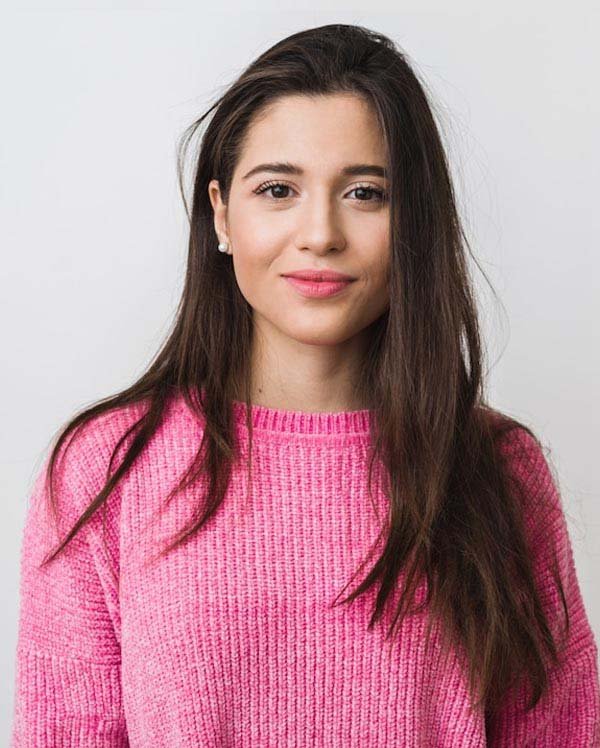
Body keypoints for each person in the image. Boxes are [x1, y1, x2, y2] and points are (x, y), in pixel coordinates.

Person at [11, 23, 599, 747]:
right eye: (278, 189)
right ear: (222, 213)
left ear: (414, 220)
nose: (320, 233)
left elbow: (561, 730)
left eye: (365, 192)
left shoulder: (497, 470)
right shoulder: (105, 471)